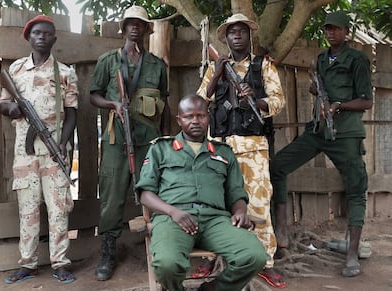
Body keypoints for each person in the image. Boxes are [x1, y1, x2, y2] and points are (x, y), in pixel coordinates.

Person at [270, 11, 373, 278]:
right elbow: (319, 90)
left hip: (345, 134)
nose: (331, 33)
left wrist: (339, 106)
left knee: (356, 189)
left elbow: (366, 101)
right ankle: (280, 234)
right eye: (328, 29)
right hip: (317, 130)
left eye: (336, 29)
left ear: (346, 32)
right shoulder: (321, 59)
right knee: (278, 166)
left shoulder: (357, 59)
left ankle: (352, 253)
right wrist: (317, 92)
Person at [136, 94, 268, 291]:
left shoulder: (223, 152)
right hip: (173, 219)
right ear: (179, 120)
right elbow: (145, 194)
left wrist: (240, 211)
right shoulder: (161, 149)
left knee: (254, 255)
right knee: (167, 264)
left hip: (215, 220)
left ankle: (214, 289)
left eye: (200, 116)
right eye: (189, 116)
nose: (195, 121)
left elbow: (236, 193)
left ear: (208, 117)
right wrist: (173, 212)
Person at [197, 13, 286, 288]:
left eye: (242, 31)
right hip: (220, 147)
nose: (236, 35)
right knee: (216, 204)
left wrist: (256, 101)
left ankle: (264, 262)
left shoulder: (264, 66)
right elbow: (200, 101)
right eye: (231, 32)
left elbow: (279, 101)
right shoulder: (216, 66)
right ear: (225, 38)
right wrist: (218, 73)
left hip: (253, 147)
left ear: (249, 36)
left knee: (258, 202)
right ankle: (213, 257)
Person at [89, 5, 170, 281]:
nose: (135, 28)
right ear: (123, 28)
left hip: (149, 141)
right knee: (111, 198)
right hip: (116, 141)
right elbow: (94, 96)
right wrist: (113, 103)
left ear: (148, 29)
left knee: (156, 194)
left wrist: (167, 143)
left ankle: (161, 250)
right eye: (130, 24)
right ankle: (108, 252)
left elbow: (165, 105)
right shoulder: (108, 61)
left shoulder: (158, 65)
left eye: (141, 24)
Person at [0, 15, 78, 284]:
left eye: (46, 33)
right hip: (25, 153)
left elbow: (71, 115)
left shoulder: (65, 73)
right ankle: (28, 264)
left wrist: (62, 145)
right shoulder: (16, 70)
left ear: (54, 39)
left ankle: (60, 263)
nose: (41, 37)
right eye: (36, 33)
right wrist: (15, 108)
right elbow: (4, 104)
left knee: (58, 209)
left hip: (54, 150)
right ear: (29, 38)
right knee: (28, 209)